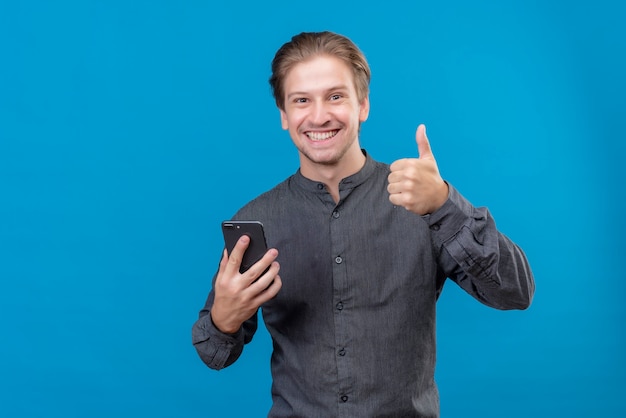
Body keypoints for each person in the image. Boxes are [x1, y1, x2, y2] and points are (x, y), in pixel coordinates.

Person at [192, 31, 535, 417]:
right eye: (302, 100)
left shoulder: (422, 201)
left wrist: (444, 203)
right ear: (284, 116)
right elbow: (213, 354)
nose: (319, 115)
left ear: (363, 106)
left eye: (335, 96)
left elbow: (515, 293)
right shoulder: (256, 221)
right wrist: (224, 317)